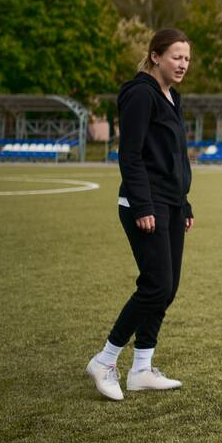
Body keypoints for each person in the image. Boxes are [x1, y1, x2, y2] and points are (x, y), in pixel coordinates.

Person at [86, 28, 194, 400]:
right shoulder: (139, 94)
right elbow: (130, 154)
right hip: (144, 204)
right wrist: (143, 205)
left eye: (187, 58)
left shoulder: (172, 97)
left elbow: (176, 157)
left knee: (167, 288)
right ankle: (105, 360)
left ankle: (141, 369)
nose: (183, 64)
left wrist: (184, 203)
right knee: (155, 285)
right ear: (155, 56)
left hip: (171, 203)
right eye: (176, 56)